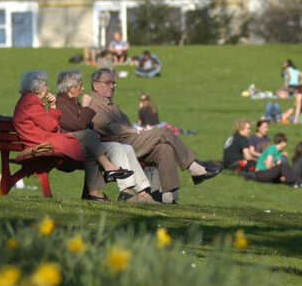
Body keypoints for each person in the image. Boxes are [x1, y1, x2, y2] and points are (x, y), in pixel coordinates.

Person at [83, 68, 221, 204]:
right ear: (95, 85)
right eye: (108, 82)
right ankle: (194, 168)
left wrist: (136, 131)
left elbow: (123, 127)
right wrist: (136, 131)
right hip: (117, 145)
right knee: (163, 131)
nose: (112, 86)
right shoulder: (92, 102)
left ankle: (168, 196)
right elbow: (107, 127)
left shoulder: (113, 105)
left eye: (114, 83)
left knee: (164, 148)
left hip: (129, 142)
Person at [13, 70, 132, 202]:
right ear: (36, 88)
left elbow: (48, 125)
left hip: (43, 141)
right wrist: (52, 107)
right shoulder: (31, 103)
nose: (48, 88)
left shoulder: (28, 102)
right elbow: (51, 126)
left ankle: (94, 192)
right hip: (42, 144)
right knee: (87, 135)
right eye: (46, 85)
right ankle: (108, 168)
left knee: (89, 146)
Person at [55, 69, 156, 204]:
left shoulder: (73, 102)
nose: (83, 88)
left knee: (124, 148)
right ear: (70, 87)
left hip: (88, 145)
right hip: (74, 148)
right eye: (80, 85)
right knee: (117, 148)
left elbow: (86, 127)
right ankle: (126, 192)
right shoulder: (61, 103)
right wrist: (85, 106)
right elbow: (79, 127)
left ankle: (143, 192)